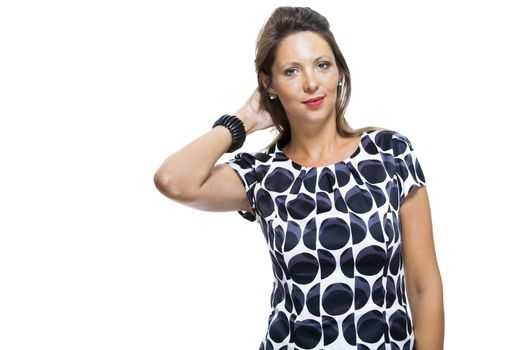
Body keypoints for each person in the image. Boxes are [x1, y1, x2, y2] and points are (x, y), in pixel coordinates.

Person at [153, 6, 444, 350]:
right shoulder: (262, 174)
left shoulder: (390, 153)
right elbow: (173, 180)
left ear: (339, 71)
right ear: (268, 84)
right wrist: (243, 120)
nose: (311, 83)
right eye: (291, 71)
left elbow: (425, 288)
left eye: (322, 65)